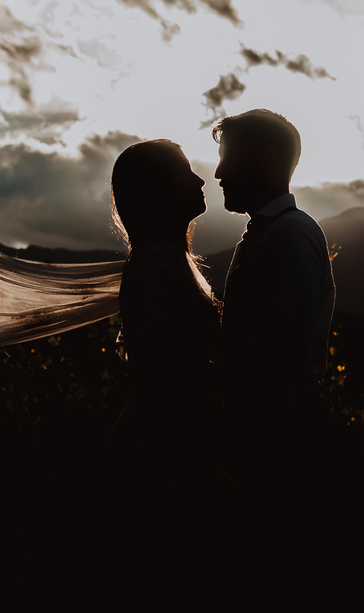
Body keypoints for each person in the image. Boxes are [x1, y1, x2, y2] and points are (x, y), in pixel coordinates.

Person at [212, 109, 336, 490]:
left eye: (227, 159)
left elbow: (288, 355)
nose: (218, 174)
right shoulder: (272, 233)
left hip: (281, 440)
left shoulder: (290, 236)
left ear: (265, 159)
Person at [105, 140, 222, 492]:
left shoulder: (164, 258)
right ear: (160, 189)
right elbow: (173, 373)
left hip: (166, 435)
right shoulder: (158, 266)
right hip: (160, 445)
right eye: (185, 172)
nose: (201, 181)